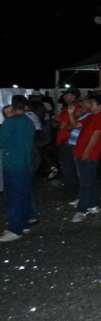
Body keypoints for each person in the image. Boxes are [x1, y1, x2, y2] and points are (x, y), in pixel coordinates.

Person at [0, 98, 36, 242]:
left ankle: (15, 229)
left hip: (13, 164)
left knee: (13, 197)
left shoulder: (10, 122)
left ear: (12, 106)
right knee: (24, 195)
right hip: (26, 162)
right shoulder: (28, 121)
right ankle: (24, 223)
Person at [70, 93, 101, 223]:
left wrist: (87, 150)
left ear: (99, 105)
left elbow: (96, 134)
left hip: (90, 154)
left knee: (86, 183)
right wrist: (71, 114)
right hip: (82, 152)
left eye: (92, 103)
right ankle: (93, 204)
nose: (89, 105)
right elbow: (75, 125)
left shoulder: (100, 118)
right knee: (90, 180)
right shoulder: (91, 117)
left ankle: (82, 210)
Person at [53, 88, 86, 204]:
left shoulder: (72, 109)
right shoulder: (70, 109)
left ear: (73, 96)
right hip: (68, 142)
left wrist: (61, 125)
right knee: (70, 169)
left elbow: (60, 125)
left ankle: (71, 193)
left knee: (69, 169)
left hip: (68, 142)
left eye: (66, 95)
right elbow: (58, 123)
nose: (64, 97)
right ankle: (72, 192)